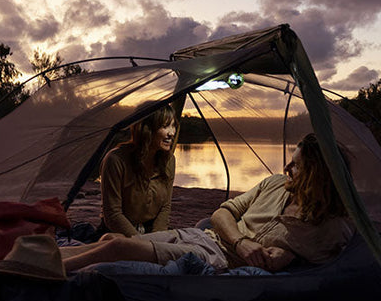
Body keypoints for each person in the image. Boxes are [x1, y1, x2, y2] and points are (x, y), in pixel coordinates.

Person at [63, 133, 354, 274]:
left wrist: (289, 254)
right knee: (111, 238)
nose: (286, 168)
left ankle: (47, 271)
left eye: (297, 166)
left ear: (317, 177)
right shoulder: (273, 184)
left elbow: (326, 259)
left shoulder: (330, 227)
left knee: (118, 247)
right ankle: (42, 257)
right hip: (204, 237)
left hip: (216, 259)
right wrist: (241, 240)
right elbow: (222, 212)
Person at [98, 105, 177, 237]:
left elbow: (165, 207)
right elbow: (113, 214)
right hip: (119, 233)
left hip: (151, 232)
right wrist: (141, 243)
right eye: (164, 126)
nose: (172, 133)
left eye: (173, 126)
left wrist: (157, 238)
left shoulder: (169, 161)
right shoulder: (115, 160)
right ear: (147, 129)